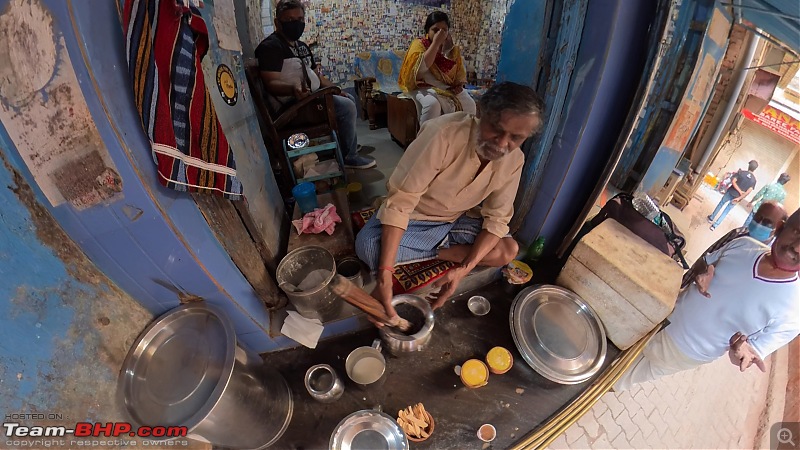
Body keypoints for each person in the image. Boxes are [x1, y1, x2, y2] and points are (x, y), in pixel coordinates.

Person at [354, 82, 544, 319]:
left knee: (508, 250)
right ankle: (439, 250)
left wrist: (464, 270)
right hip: (416, 218)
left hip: (456, 220)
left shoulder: (514, 160)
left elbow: (497, 219)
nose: (502, 143)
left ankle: (436, 252)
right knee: (368, 247)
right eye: (496, 128)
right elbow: (402, 202)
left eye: (516, 137)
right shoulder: (442, 134)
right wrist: (384, 276)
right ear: (480, 112)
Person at [615, 208, 800, 392]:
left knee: (614, 380)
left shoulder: (793, 313)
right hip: (659, 315)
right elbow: (704, 264)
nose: (797, 247)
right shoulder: (743, 245)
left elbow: (745, 357)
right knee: (606, 350)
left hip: (681, 353)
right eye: (797, 232)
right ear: (780, 228)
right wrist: (702, 273)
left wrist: (739, 353)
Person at [254, 0, 376, 169]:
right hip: (293, 107)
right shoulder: (270, 47)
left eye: (300, 19)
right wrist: (292, 89)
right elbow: (271, 82)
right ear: (277, 22)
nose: (296, 24)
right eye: (290, 20)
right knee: (346, 106)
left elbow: (316, 75)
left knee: (346, 97)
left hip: (310, 99)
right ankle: (349, 156)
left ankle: (346, 144)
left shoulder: (302, 46)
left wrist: (335, 89)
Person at [681, 201, 787, 289]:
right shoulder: (737, 234)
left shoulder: (771, 257)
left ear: (778, 227)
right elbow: (705, 258)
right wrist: (683, 284)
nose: (759, 224)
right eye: (758, 218)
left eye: (767, 223)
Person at [397, 11, 476, 125]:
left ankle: (460, 138)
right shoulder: (419, 44)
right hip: (421, 86)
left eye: (444, 30)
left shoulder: (452, 49)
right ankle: (425, 140)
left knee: (470, 103)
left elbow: (457, 75)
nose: (440, 33)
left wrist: (458, 85)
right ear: (427, 31)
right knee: (432, 104)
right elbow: (418, 73)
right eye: (435, 30)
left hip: (446, 88)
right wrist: (435, 44)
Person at [707, 160, 758, 230]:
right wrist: (740, 197)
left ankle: (711, 218)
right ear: (755, 169)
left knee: (721, 204)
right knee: (726, 210)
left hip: (730, 192)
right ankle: (714, 226)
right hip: (737, 198)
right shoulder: (754, 180)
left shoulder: (741, 172)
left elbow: (733, 181)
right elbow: (748, 192)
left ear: (749, 165)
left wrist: (739, 191)